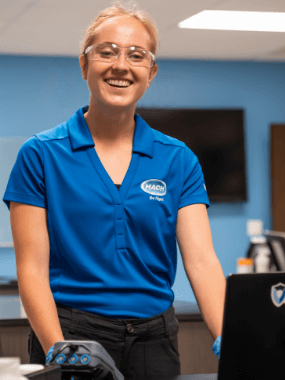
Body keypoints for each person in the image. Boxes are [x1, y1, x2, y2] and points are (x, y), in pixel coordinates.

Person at [2, 2, 226, 379]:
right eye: (106, 53)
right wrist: (59, 350)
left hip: (155, 339)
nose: (121, 65)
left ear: (150, 73)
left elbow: (202, 262)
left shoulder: (178, 160)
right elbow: (32, 270)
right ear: (84, 65)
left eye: (136, 56)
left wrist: (228, 334)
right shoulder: (40, 155)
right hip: (74, 334)